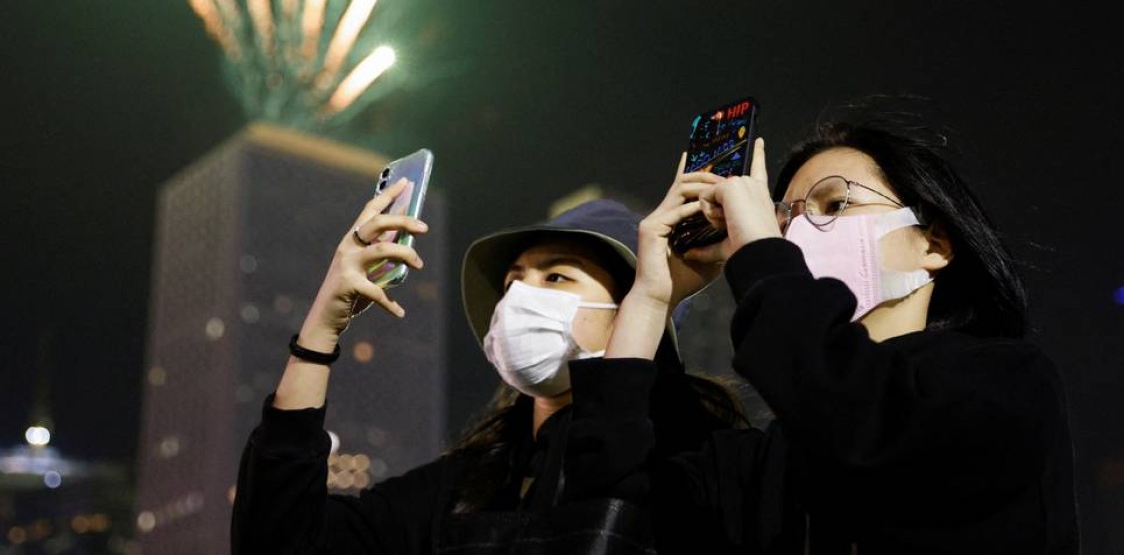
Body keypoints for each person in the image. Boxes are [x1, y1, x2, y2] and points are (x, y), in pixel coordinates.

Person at [565, 119, 1080, 553]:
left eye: (833, 206)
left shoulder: (1005, 381)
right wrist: (651, 299)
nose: (800, 235)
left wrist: (763, 256)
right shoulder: (773, 456)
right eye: (784, 221)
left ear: (936, 244)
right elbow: (614, 510)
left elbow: (858, 421)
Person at [231, 183, 744, 554]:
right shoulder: (461, 487)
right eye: (512, 281)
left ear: (632, 310)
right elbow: (278, 538)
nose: (521, 295)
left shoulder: (696, 465)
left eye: (557, 277)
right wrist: (319, 334)